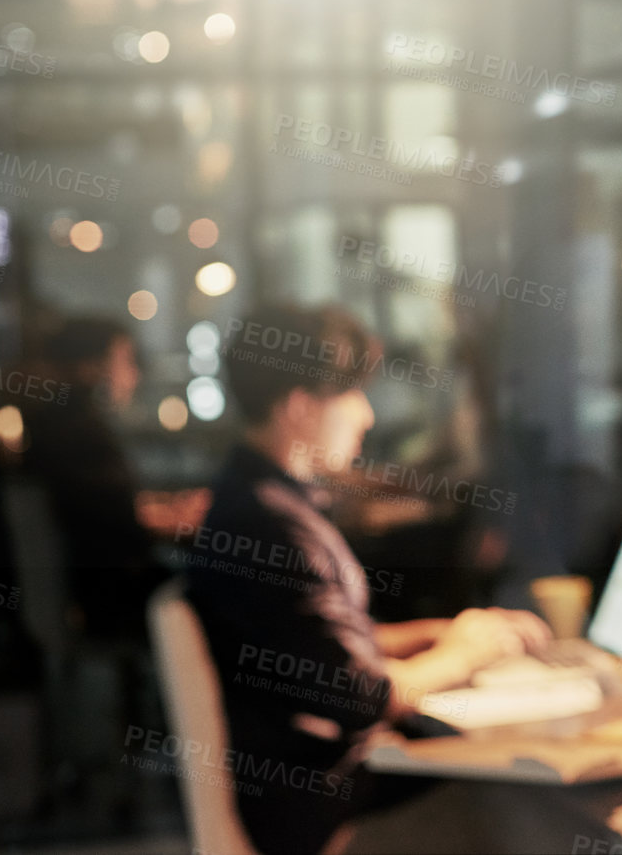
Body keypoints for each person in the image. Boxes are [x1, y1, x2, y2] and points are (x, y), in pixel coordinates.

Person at [181, 304, 554, 855]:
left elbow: (311, 646)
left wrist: (443, 632)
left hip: (307, 786)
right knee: (523, 801)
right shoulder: (268, 524)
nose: (366, 416)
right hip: (314, 810)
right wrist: (461, 656)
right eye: (351, 395)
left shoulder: (262, 501)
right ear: (300, 407)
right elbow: (356, 695)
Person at [21, 316, 172, 641]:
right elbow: (122, 517)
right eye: (125, 360)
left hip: (89, 586)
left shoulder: (53, 422)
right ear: (91, 368)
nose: (133, 374)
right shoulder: (79, 429)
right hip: (113, 591)